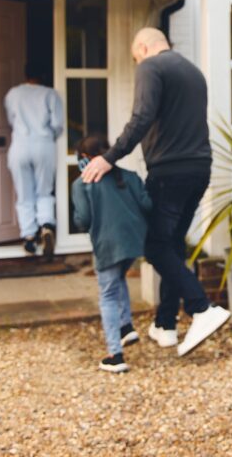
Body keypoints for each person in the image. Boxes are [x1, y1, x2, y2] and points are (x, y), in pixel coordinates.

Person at [80, 27, 230, 357]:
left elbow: (142, 116)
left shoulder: (150, 66)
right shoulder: (192, 71)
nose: (137, 64)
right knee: (173, 245)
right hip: (199, 168)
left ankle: (202, 308)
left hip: (169, 172)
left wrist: (108, 157)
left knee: (156, 246)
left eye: (136, 57)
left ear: (144, 48)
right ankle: (165, 325)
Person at [72, 135, 149, 373]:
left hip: (107, 244)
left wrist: (78, 222)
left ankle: (114, 354)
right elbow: (148, 206)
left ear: (85, 159)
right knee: (118, 280)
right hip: (134, 243)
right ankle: (126, 326)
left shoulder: (82, 183)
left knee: (107, 295)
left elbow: (83, 220)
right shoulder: (129, 176)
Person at [4, 62, 63, 259]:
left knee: (24, 193)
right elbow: (57, 124)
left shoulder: (13, 93)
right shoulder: (50, 94)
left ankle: (29, 236)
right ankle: (46, 224)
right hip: (43, 143)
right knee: (44, 190)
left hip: (20, 144)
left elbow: (11, 119)